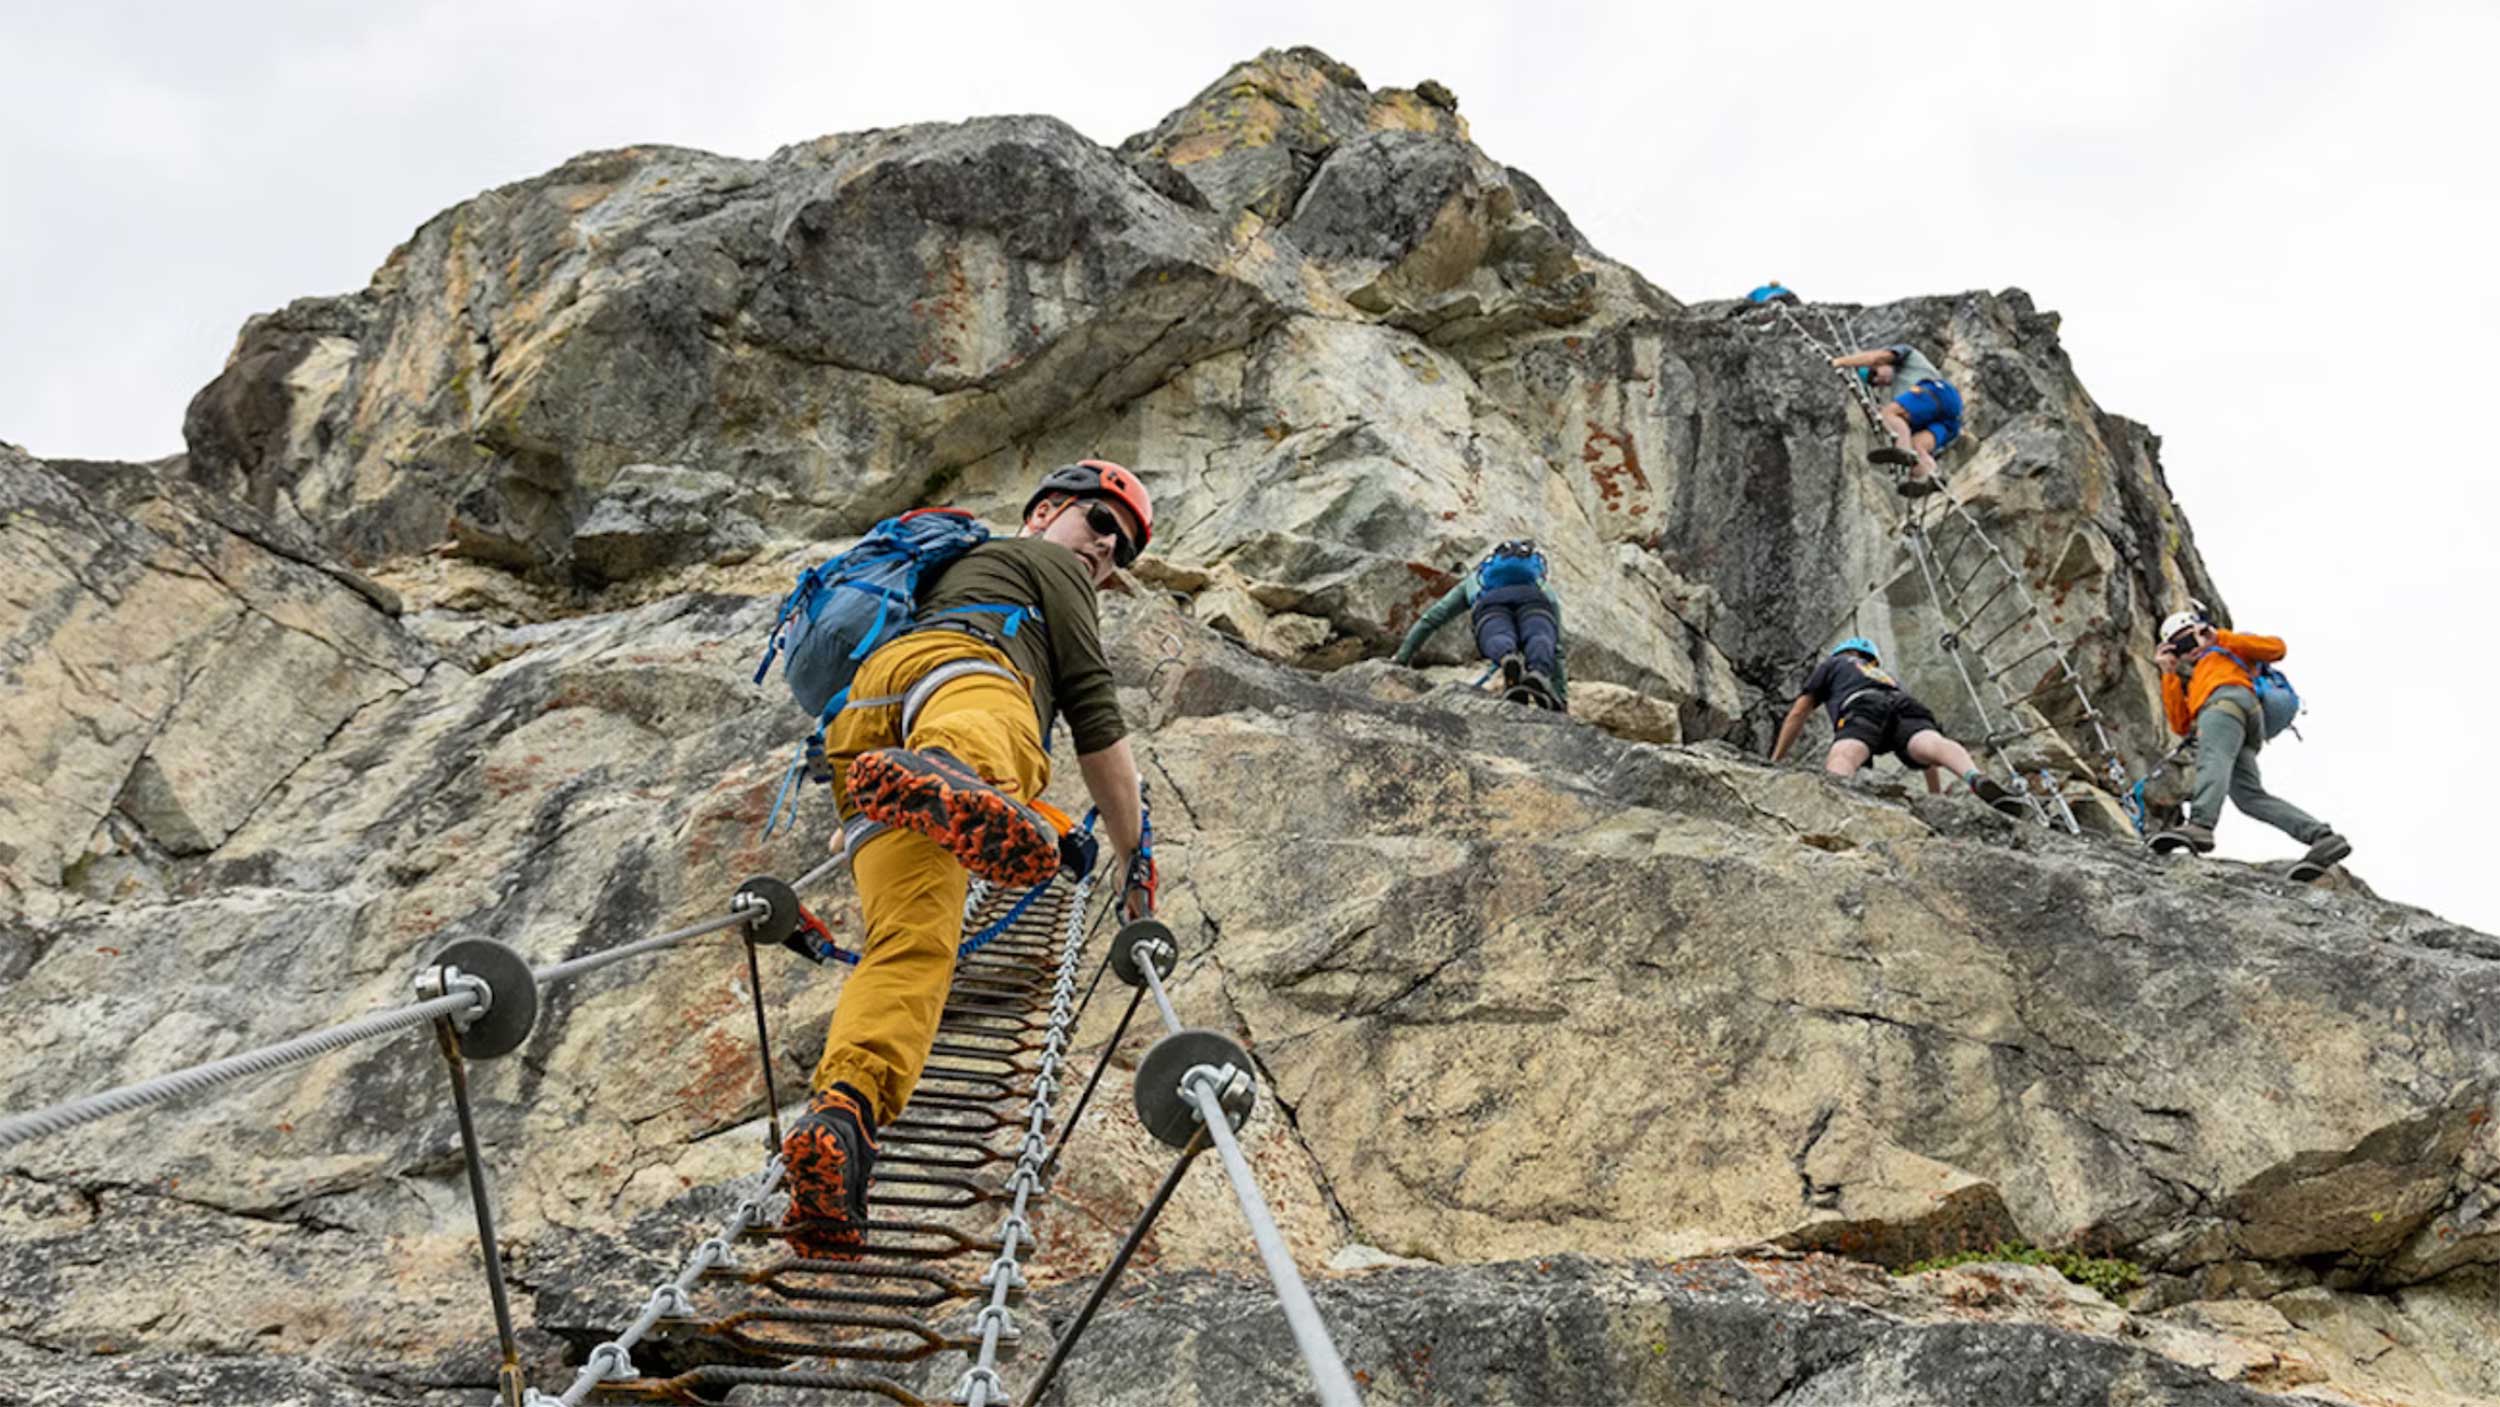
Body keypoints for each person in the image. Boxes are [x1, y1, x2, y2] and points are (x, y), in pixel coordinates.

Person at [781, 460, 1160, 1259]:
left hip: (865, 731)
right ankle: (948, 770)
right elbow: (1092, 709)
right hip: (958, 687)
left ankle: (843, 1115)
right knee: (1013, 730)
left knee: (913, 944)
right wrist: (1135, 861)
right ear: (1048, 511)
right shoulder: (1050, 565)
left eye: (1120, 550)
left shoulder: (948, 569)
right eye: (1098, 523)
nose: (1104, 551)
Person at [2146, 606, 2350, 871]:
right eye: (2179, 648)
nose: (2189, 649)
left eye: (2189, 638)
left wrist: (2217, 637)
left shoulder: (2226, 649)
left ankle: (2200, 825)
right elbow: (2181, 724)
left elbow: (2277, 648)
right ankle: (2321, 837)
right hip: (2240, 723)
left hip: (2227, 704)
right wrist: (2169, 673)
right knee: (2249, 797)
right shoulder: (2196, 678)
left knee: (2213, 760)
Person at [1770, 637, 2026, 814]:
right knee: (1932, 744)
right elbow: (1929, 761)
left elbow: (1799, 711)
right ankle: (1974, 776)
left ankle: (1836, 801)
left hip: (1863, 706)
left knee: (1845, 755)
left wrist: (1777, 758)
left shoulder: (1834, 664)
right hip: (1905, 705)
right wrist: (1935, 797)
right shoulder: (1888, 678)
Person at [1392, 539, 1568, 710]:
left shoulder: (1475, 579)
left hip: (1491, 605)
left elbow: (1431, 619)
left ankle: (1507, 657)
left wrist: (1401, 659)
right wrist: (1561, 698)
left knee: (1498, 634)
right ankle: (1538, 671)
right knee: (1539, 635)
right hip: (1534, 601)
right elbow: (1557, 647)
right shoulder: (1539, 584)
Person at [1829, 343, 1965, 497]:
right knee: (1918, 446)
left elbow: (1875, 357)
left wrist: (1839, 362)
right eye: (1872, 383)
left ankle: (1904, 454)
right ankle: (1929, 475)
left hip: (1936, 392)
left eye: (1874, 373)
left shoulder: (1906, 356)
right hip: (1950, 421)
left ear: (1883, 364)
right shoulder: (1901, 395)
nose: (1876, 380)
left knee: (1889, 414)